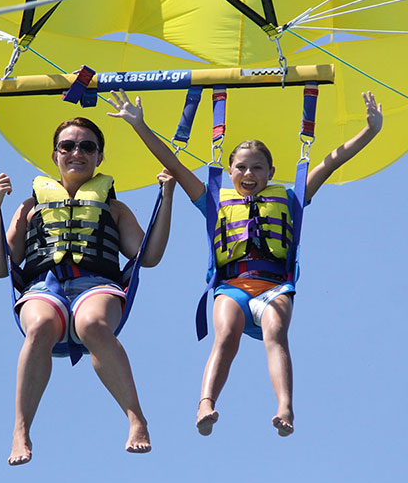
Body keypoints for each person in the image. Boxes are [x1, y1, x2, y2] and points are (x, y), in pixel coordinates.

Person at [108, 88, 383, 438]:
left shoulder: (292, 196)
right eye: (241, 167)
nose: (248, 173)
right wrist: (139, 126)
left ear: (271, 171)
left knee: (276, 332)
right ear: (230, 170)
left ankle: (285, 407)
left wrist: (370, 131)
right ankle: (206, 401)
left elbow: (329, 162)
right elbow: (174, 164)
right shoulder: (213, 199)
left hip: (275, 286)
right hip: (232, 286)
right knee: (225, 334)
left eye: (257, 167)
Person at [0, 117, 175, 465]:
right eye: (67, 146)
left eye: (87, 146)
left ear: (99, 157)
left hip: (97, 286)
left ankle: (136, 419)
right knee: (40, 325)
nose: (77, 152)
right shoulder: (29, 207)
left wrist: (167, 196)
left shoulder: (115, 208)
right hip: (43, 287)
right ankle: (21, 430)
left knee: (91, 324)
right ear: (55, 154)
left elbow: (148, 257)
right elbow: (0, 267)